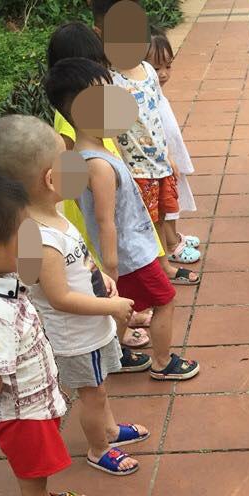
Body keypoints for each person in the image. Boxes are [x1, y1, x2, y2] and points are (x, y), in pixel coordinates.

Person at [0, 115, 150, 477]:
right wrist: (111, 305)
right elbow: (59, 297)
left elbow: (75, 260)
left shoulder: (52, 215)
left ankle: (109, 429)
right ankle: (99, 448)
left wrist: (99, 277)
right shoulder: (40, 238)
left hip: (89, 327)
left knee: (100, 385)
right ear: (51, 179)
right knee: (93, 393)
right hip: (76, 338)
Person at [0, 166, 107, 496]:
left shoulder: (2, 281)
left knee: (38, 471)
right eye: (26, 236)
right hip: (21, 414)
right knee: (30, 483)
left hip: (32, 403)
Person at [44, 57, 200, 382]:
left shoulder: (96, 153)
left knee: (123, 306)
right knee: (165, 300)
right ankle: (162, 363)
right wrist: (112, 266)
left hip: (128, 252)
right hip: (130, 256)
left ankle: (113, 355)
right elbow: (105, 221)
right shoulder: (98, 165)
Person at [47, 19, 156, 361]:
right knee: (106, 272)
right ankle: (115, 333)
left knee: (114, 273)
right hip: (91, 208)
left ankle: (122, 317)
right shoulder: (71, 123)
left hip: (109, 196)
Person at [110, 37, 201, 287]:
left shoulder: (147, 71)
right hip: (136, 169)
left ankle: (162, 263)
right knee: (144, 222)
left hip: (159, 163)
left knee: (160, 215)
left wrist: (167, 154)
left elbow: (156, 118)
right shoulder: (110, 80)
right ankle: (158, 268)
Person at [145, 26, 201, 267]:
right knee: (165, 203)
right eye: (156, 68)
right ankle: (171, 245)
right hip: (160, 158)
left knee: (173, 199)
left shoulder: (155, 90)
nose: (164, 74)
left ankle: (174, 237)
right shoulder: (143, 93)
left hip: (170, 156)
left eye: (168, 66)